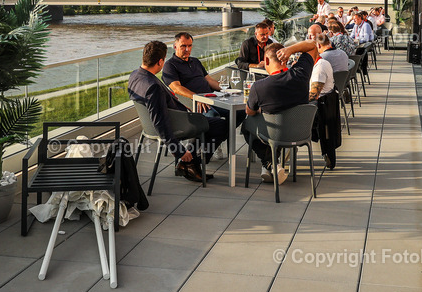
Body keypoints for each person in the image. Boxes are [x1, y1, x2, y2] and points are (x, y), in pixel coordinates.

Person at [128, 41, 226, 183]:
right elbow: (159, 121)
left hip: (149, 125)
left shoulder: (135, 75)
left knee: (206, 122)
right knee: (220, 125)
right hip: (176, 123)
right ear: (161, 61)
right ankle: (189, 162)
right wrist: (179, 150)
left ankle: (190, 163)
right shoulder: (153, 86)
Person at [162, 32, 243, 159]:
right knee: (214, 118)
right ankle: (202, 157)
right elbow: (176, 88)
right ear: (175, 46)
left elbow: (209, 80)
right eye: (183, 46)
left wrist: (227, 90)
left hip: (211, 98)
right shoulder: (170, 65)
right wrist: (197, 98)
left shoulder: (195, 61)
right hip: (192, 103)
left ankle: (215, 141)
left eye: (190, 46)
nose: (187, 49)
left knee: (240, 112)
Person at [243, 41, 314, 183]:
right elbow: (313, 45)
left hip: (274, 134)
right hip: (300, 133)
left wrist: (259, 109)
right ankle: (272, 162)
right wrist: (290, 50)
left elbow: (249, 112)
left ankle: (269, 162)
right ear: (286, 59)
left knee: (246, 126)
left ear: (267, 60)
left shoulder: (259, 86)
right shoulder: (301, 74)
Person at [278, 37, 341, 168]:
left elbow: (313, 95)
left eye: (302, 54)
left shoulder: (320, 67)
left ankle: (279, 159)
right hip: (319, 106)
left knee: (282, 121)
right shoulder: (314, 65)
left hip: (318, 110)